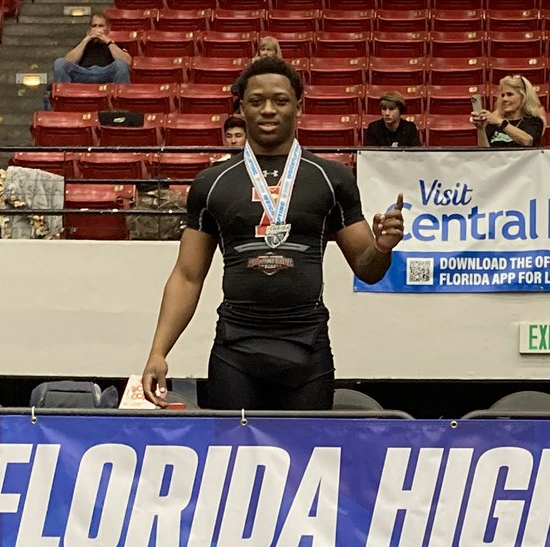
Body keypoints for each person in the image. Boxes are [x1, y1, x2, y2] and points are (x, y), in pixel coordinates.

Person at [142, 56, 404, 411]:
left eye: (280, 100)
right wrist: (159, 351)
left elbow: (367, 269)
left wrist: (383, 248)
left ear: (299, 106)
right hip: (235, 352)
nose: (268, 110)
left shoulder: (332, 178)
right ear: (241, 108)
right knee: (232, 463)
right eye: (256, 101)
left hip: (307, 351)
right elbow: (188, 276)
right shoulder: (211, 183)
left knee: (307, 465)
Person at [52, 14, 131, 86]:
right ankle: (64, 98)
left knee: (120, 64)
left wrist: (107, 41)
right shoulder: (83, 44)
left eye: (101, 26)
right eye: (94, 26)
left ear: (108, 28)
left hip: (106, 73)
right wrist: (86, 40)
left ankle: (121, 99)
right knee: (59, 62)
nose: (97, 29)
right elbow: (68, 61)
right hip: (84, 73)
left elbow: (127, 62)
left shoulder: (115, 44)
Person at [472, 74, 544, 149]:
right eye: (502, 95)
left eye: (510, 94)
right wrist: (481, 129)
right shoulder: (493, 122)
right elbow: (484, 153)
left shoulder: (534, 121)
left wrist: (500, 122)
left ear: (523, 97)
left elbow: (527, 141)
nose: (504, 99)